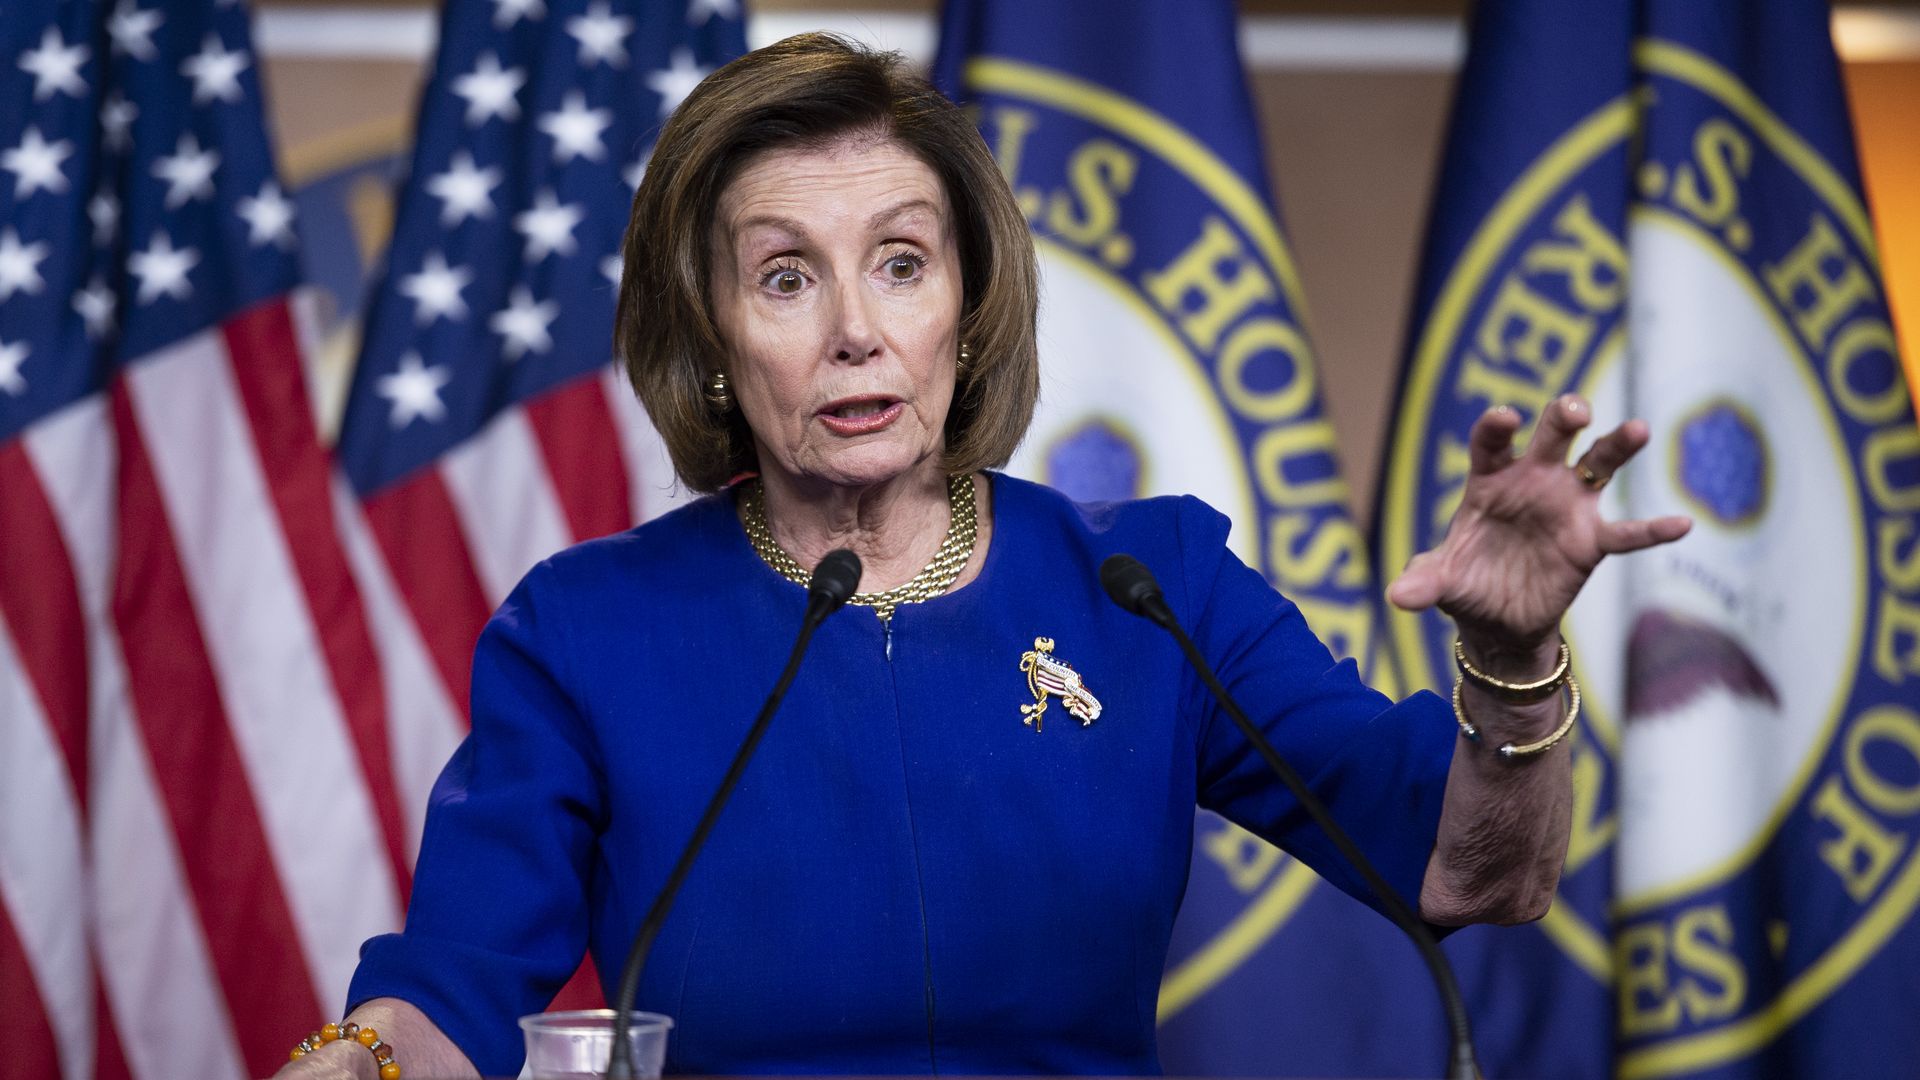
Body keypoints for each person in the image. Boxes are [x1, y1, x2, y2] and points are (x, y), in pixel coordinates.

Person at [278, 32, 1689, 1080]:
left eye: (901, 261)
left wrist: (1511, 667)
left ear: (970, 299)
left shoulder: (1152, 586)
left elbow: (1468, 871)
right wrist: (360, 1061)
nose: (855, 329)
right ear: (710, 335)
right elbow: (450, 993)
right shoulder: (584, 631)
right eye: (785, 276)